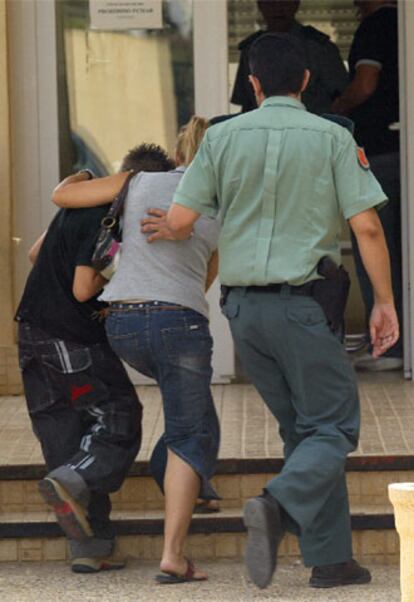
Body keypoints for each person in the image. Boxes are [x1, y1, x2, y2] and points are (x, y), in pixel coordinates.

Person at [149, 34, 399, 589]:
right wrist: (383, 302)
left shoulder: (221, 138)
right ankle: (278, 505)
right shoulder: (332, 137)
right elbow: (367, 226)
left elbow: (184, 220)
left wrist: (163, 225)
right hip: (301, 309)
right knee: (334, 426)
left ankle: (331, 561)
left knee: (307, 433)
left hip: (244, 315)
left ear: (254, 85)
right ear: (308, 82)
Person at [52, 116, 221, 584]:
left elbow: (63, 197)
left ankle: (195, 483)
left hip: (122, 322)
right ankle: (173, 554)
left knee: (195, 418)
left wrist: (84, 175)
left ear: (180, 150)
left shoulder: (140, 180)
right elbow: (208, 275)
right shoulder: (223, 198)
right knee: (189, 433)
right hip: (179, 322)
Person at [16, 144, 173, 573]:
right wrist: (127, 270)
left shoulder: (77, 206)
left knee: (67, 434)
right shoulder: (112, 218)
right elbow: (84, 288)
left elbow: (34, 255)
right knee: (117, 416)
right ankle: (77, 480)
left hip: (32, 335)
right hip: (73, 339)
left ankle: (91, 545)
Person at [332, 0, 402, 370]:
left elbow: (365, 83)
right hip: (402, 150)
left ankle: (390, 346)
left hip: (381, 151)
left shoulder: (376, 27)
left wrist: (340, 106)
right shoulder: (403, 24)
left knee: (376, 242)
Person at [231, 0, 348, 115]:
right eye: (271, 2)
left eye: (284, 2)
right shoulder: (251, 49)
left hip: (311, 130)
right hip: (263, 129)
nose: (278, 8)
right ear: (260, 4)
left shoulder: (319, 47)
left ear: (296, 3)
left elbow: (343, 100)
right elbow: (246, 104)